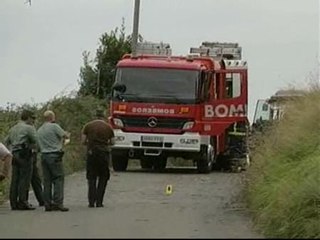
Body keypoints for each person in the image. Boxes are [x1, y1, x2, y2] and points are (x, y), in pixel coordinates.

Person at [37, 110, 70, 212]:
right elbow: (65, 136)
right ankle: (58, 203)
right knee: (58, 179)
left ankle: (47, 203)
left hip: (44, 156)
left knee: (47, 181)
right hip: (54, 155)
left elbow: (38, 145)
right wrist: (68, 135)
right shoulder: (54, 126)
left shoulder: (40, 130)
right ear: (52, 117)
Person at [81, 109, 115, 208]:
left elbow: (83, 141)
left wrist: (90, 144)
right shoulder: (108, 127)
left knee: (91, 178)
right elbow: (112, 142)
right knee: (103, 177)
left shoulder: (88, 126)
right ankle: (99, 202)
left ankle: (91, 201)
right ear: (103, 116)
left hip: (92, 153)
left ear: (95, 115)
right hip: (104, 153)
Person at [5, 109, 37, 210]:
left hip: (14, 153)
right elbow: (36, 140)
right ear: (28, 118)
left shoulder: (13, 128)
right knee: (25, 178)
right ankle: (23, 202)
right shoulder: (29, 128)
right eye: (33, 118)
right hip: (25, 153)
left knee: (15, 179)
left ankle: (13, 203)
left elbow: (6, 141)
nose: (33, 120)